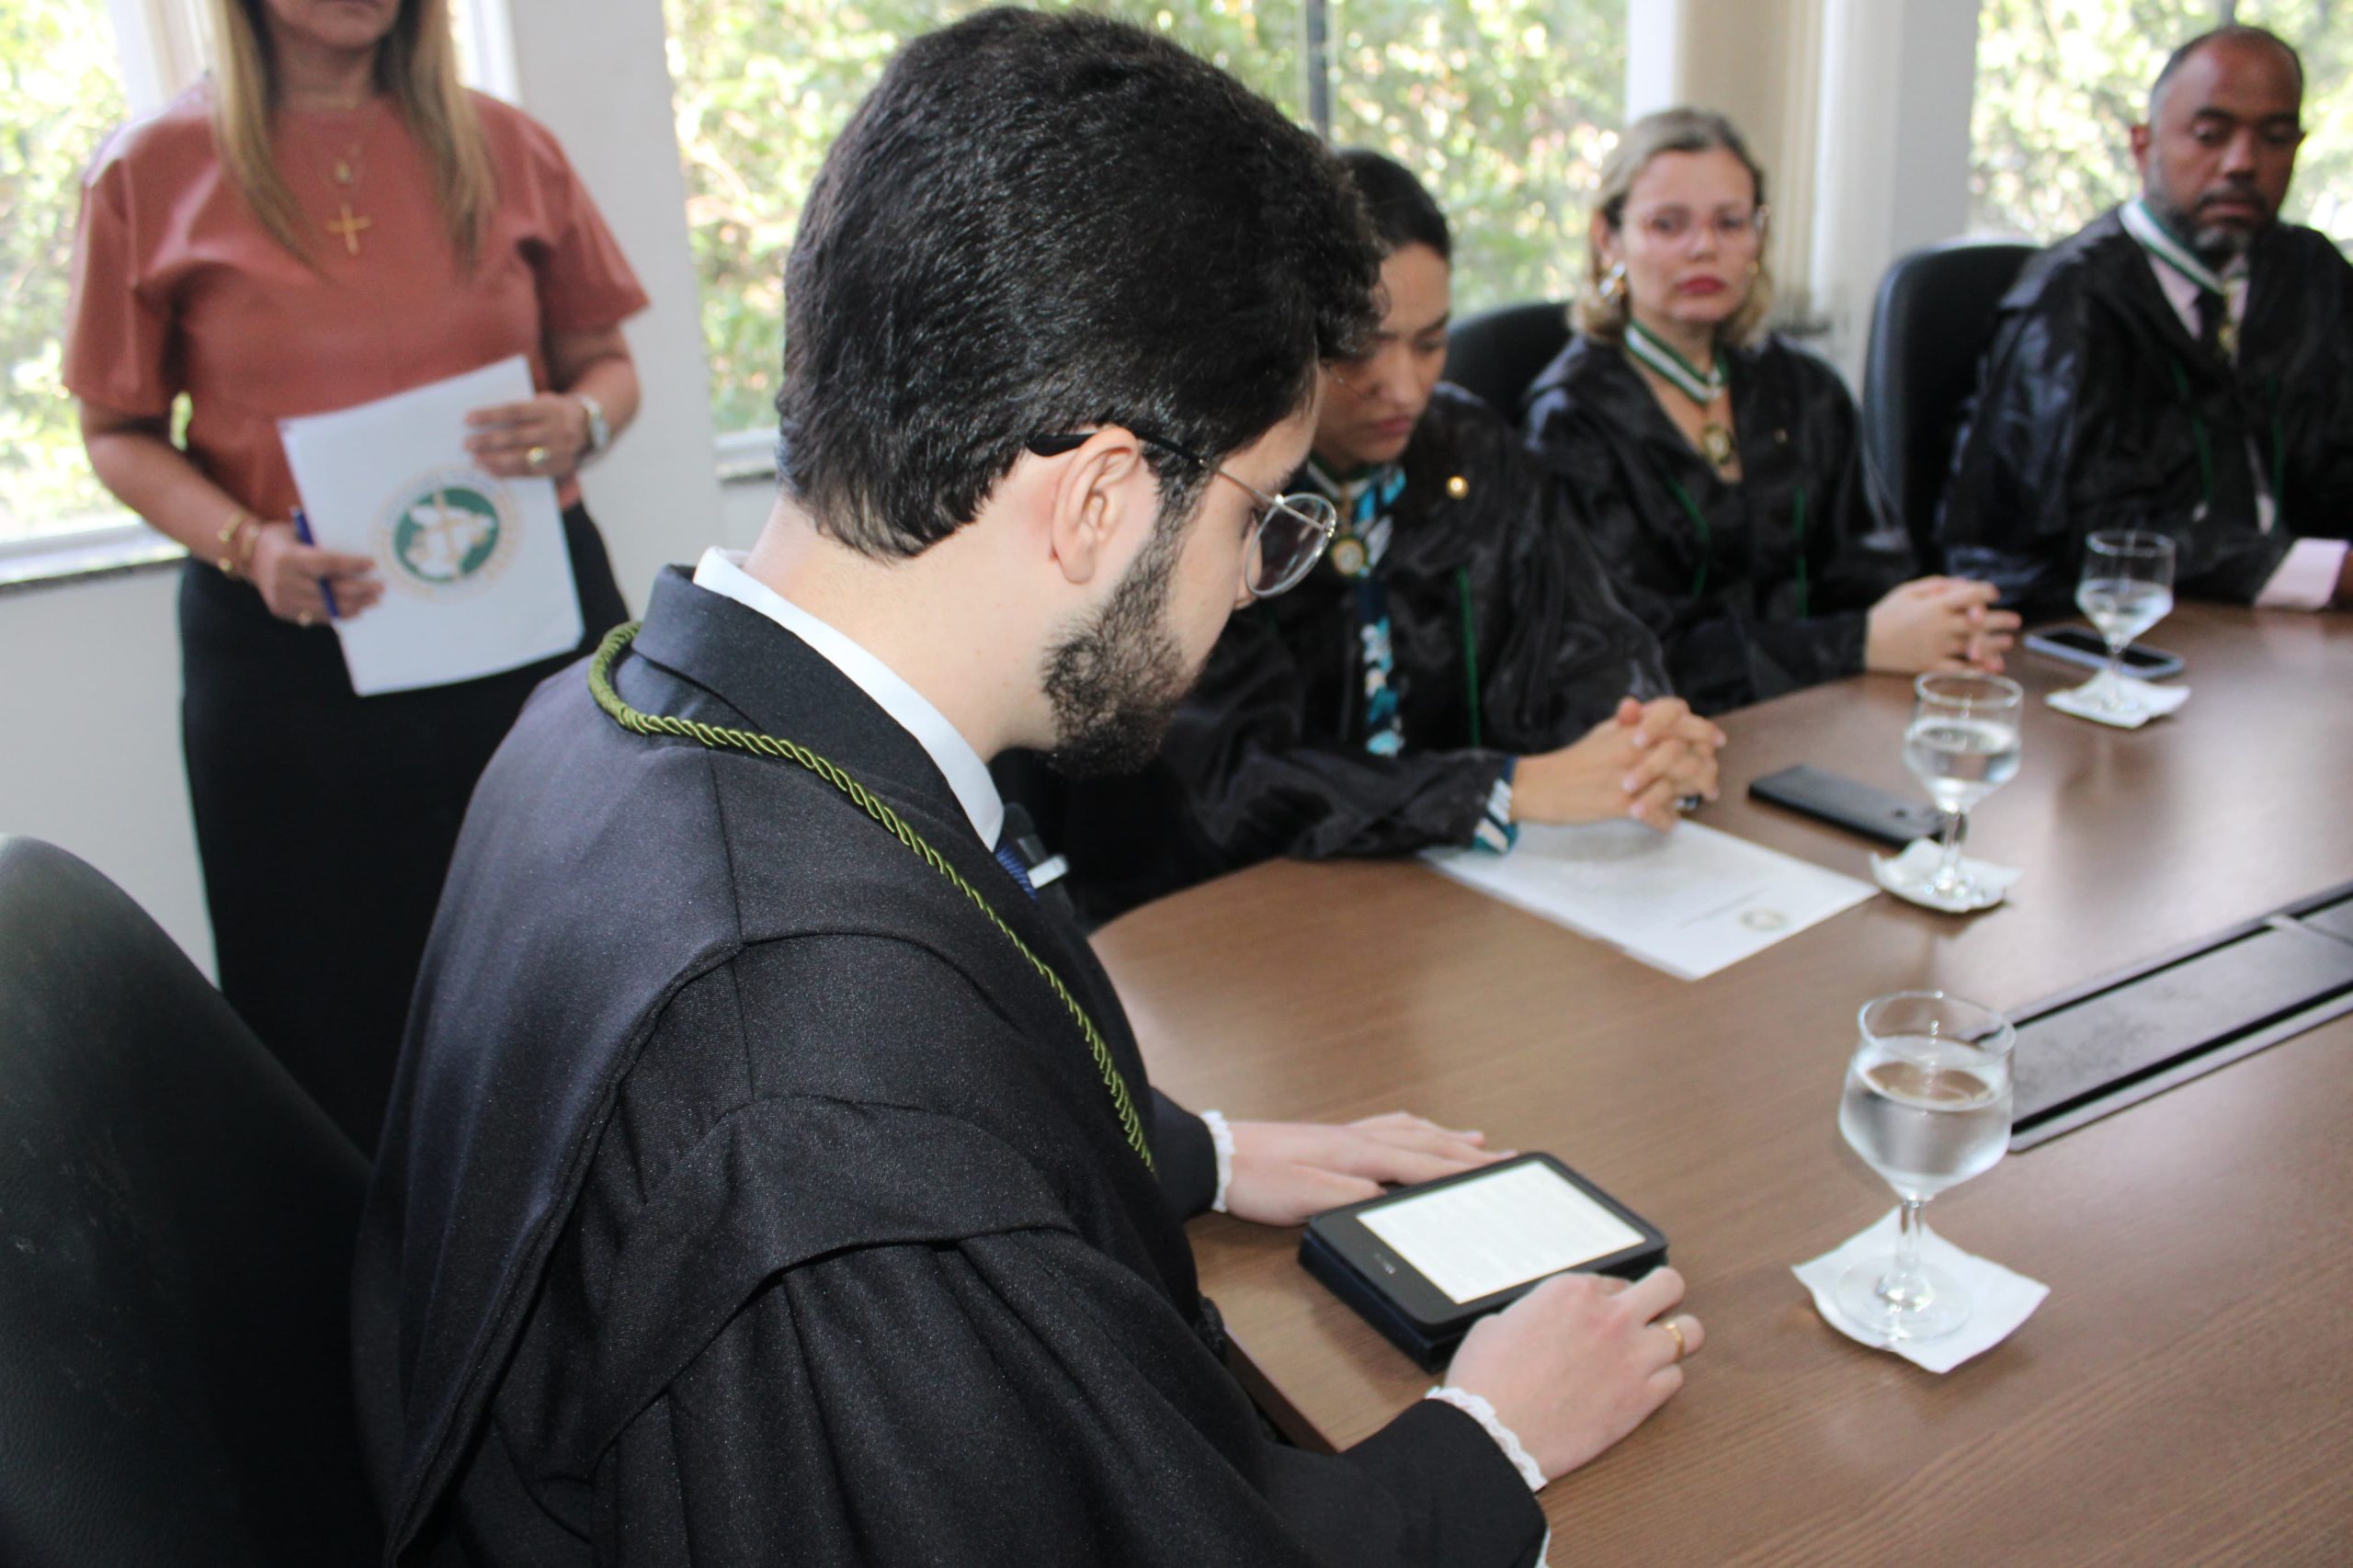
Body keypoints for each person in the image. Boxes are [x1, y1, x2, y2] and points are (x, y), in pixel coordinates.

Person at [354, 15, 1700, 1565]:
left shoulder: (609, 715)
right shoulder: (827, 1091)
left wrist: (1194, 1152)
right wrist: (1485, 1440)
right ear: (1099, 498)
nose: (1247, 585)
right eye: (1258, 519)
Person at [63, 0, 645, 1151]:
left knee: (590, 943)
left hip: (525, 627)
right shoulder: (149, 169)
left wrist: (579, 419)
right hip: (288, 653)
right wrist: (249, 547)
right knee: (325, 1009)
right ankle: (365, 1260)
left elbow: (607, 365)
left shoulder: (507, 144)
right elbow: (114, 431)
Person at [1006, 149, 1721, 924]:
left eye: (1431, 342)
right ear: (1289, 336)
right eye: (1363, 347)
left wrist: (1641, 731)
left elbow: (1579, 634)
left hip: (1447, 898)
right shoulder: (1205, 492)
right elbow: (1238, 779)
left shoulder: (1473, 450)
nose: (1404, 388)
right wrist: (1502, 790)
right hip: (1226, 917)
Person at [1523, 108, 2017, 716]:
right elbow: (1629, 658)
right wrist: (1857, 643)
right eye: (1668, 225)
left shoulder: (1803, 387)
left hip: (1832, 710)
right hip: (1670, 739)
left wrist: (1940, 622)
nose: (1704, 247)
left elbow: (1872, 571)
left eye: (1730, 222)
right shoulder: (1570, 421)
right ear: (1608, 238)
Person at [1939, 25, 2353, 614]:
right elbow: (2085, 530)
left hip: (2297, 622)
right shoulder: (2071, 301)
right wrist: (2324, 570)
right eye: (2210, 135)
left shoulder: (2310, 275)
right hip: (2102, 626)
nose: (2242, 163)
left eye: (2276, 138)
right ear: (2143, 145)